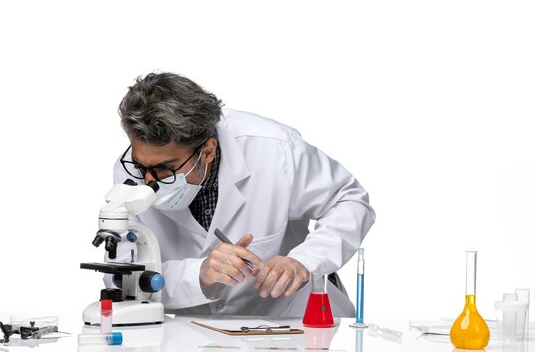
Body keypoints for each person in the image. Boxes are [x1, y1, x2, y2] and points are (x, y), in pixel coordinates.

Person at [109, 72, 375, 317]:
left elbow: (350, 201)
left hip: (292, 317)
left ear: (208, 151)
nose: (148, 180)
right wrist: (199, 274)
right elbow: (124, 278)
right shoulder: (131, 174)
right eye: (141, 166)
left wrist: (303, 261)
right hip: (199, 335)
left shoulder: (275, 149)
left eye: (166, 168)